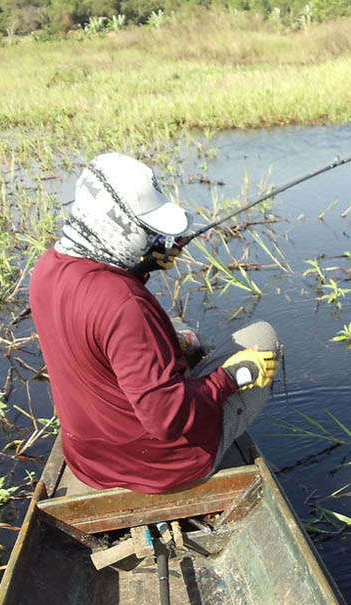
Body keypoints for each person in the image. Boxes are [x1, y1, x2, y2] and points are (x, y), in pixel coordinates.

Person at [29, 152, 279, 494]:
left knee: (181, 335)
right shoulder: (124, 303)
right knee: (262, 336)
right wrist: (231, 377)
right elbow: (166, 420)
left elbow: (97, 306)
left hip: (89, 462)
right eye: (147, 229)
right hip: (159, 467)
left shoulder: (47, 268)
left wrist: (141, 267)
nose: (154, 238)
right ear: (119, 225)